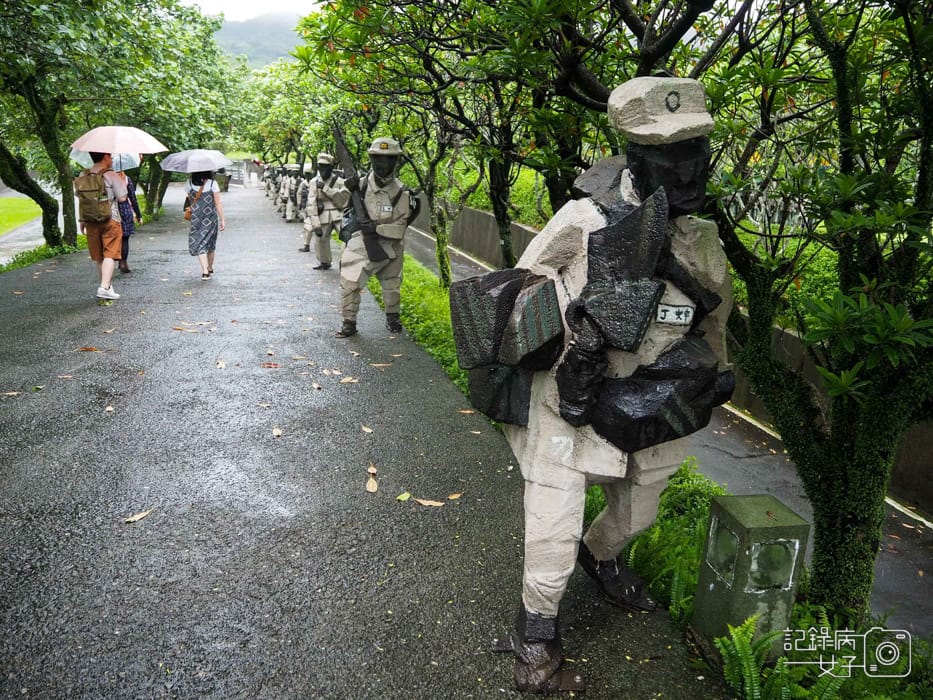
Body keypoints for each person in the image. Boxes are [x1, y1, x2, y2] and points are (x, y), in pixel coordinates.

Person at [449, 77, 734, 693]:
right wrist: (580, 316)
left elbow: (716, 321)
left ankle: (601, 556)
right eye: (671, 158)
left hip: (652, 395)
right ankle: (538, 631)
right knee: (554, 514)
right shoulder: (583, 219)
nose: (688, 174)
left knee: (640, 507)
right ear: (634, 158)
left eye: (697, 156)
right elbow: (517, 296)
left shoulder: (702, 241)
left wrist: (713, 373)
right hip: (567, 393)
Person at [334, 137, 420, 338]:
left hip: (391, 245)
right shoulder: (361, 185)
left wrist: (377, 229)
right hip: (361, 241)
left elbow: (400, 227)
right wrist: (347, 187)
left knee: (391, 284)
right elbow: (337, 203)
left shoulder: (402, 192)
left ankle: (393, 318)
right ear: (371, 159)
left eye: (388, 159)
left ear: (396, 161)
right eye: (378, 159)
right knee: (350, 280)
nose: (382, 164)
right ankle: (349, 322)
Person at [77, 152, 127, 300]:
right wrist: (122, 181)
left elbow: (81, 198)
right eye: (110, 156)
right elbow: (122, 198)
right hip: (110, 218)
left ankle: (108, 286)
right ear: (105, 157)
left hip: (90, 220)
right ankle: (104, 287)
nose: (111, 159)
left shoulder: (83, 174)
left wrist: (82, 220)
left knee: (99, 256)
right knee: (110, 253)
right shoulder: (110, 175)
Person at [301, 152, 349, 270]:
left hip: (339, 213)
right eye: (320, 166)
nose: (323, 169)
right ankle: (324, 261)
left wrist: (325, 188)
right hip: (322, 214)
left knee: (347, 238)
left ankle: (346, 262)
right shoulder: (313, 182)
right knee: (321, 239)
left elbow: (343, 199)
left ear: (331, 167)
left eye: (325, 166)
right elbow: (311, 202)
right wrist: (315, 223)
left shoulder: (339, 182)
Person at [185, 170, 225, 279]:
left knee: (199, 243)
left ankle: (205, 270)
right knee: (210, 244)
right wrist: (222, 219)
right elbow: (218, 204)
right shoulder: (212, 184)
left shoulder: (188, 183)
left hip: (196, 218)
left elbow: (190, 199)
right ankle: (209, 268)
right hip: (210, 218)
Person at [114, 156, 142, 274]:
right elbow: (133, 198)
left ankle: (112, 260)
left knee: (114, 237)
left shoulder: (106, 178)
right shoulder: (126, 179)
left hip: (112, 210)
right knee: (125, 238)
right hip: (125, 210)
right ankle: (123, 262)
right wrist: (139, 215)